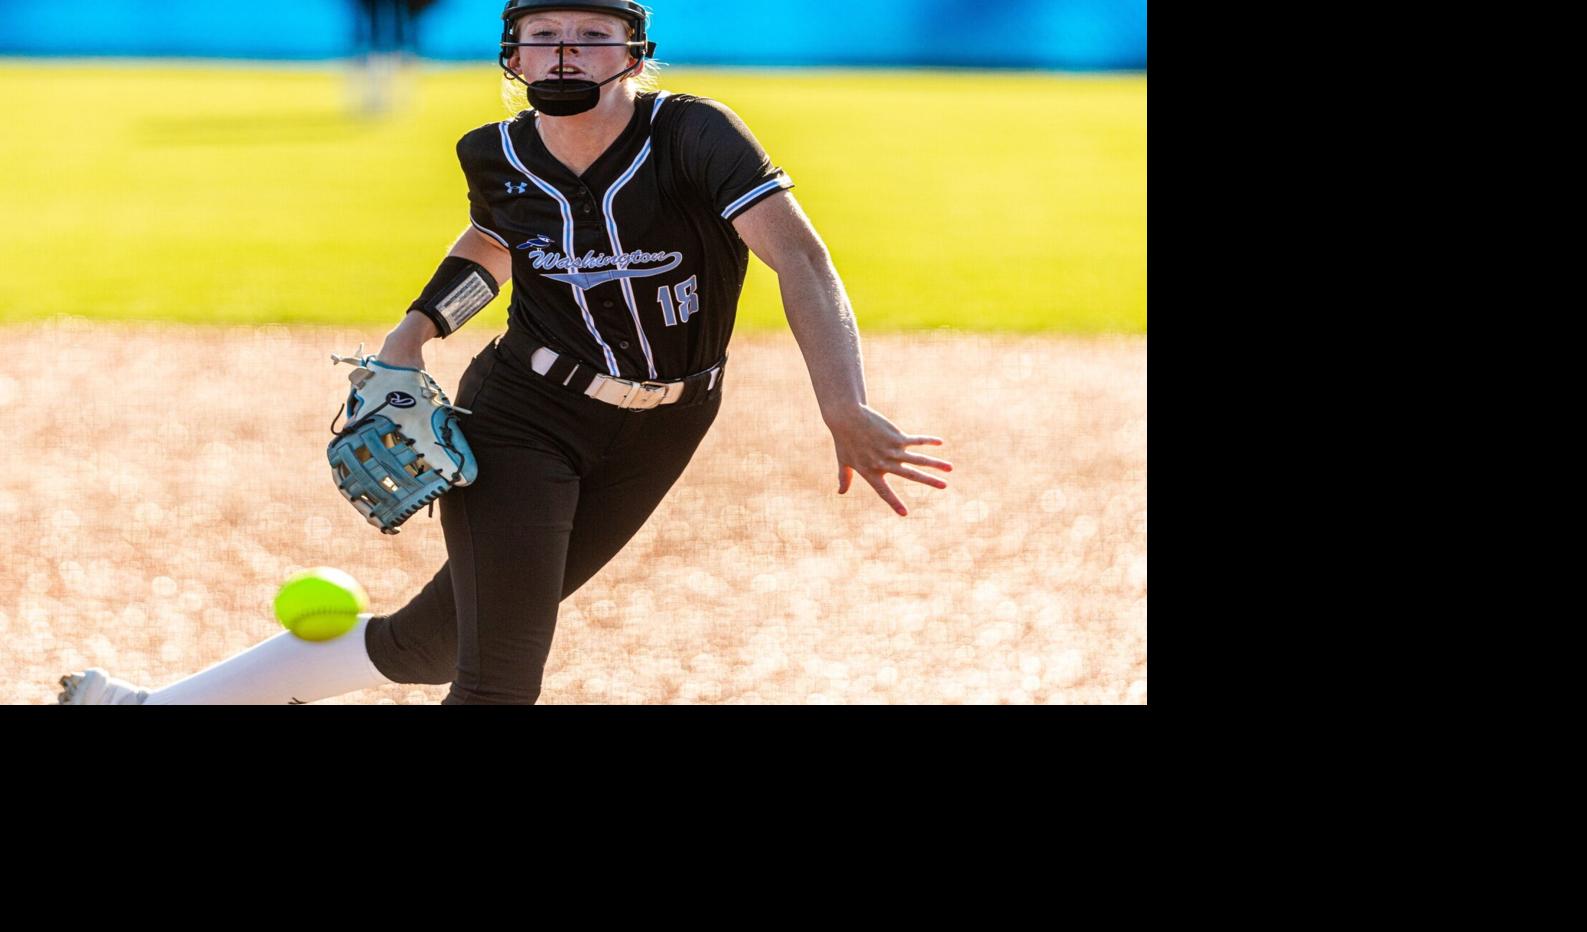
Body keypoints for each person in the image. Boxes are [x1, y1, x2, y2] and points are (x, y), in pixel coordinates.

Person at [56, 0, 953, 706]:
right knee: (497, 682)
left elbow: (797, 254)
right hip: (526, 417)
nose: (566, 53)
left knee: (428, 645)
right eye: (543, 35)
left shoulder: (693, 135)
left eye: (592, 36)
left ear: (633, 54)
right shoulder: (495, 153)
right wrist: (412, 336)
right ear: (511, 56)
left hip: (664, 426)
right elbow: (492, 243)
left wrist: (841, 403)